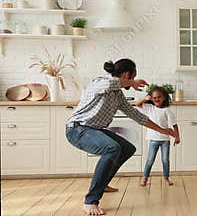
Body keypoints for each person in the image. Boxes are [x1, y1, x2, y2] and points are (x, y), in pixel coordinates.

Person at [65, 59, 177, 215]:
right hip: (77, 129)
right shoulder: (100, 81)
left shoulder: (118, 95)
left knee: (127, 148)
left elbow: (137, 116)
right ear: (127, 74)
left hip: (94, 129)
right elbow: (110, 84)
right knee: (112, 148)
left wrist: (163, 130)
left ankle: (102, 183)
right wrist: (132, 81)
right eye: (133, 75)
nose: (133, 80)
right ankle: (90, 201)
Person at [136, 86, 180, 186]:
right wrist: (145, 99)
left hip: (165, 140)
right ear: (151, 98)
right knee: (150, 160)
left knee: (165, 160)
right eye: (154, 97)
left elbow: (174, 125)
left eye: (159, 97)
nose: (157, 99)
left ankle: (166, 178)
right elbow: (137, 104)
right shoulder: (149, 108)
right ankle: (145, 178)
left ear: (164, 97)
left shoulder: (167, 110)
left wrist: (177, 137)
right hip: (153, 139)